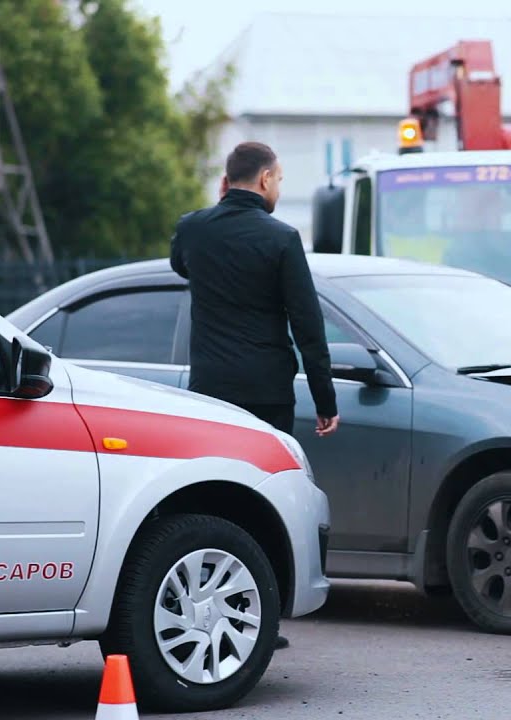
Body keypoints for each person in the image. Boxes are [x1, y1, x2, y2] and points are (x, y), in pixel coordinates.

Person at [171, 141, 341, 649]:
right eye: (280, 180)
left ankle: (207, 606)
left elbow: (183, 267)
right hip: (267, 395)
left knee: (211, 499)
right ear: (265, 180)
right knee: (263, 502)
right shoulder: (282, 240)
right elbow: (307, 326)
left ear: (226, 181)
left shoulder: (193, 228)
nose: (280, 188)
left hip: (210, 394)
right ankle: (257, 619)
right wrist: (326, 400)